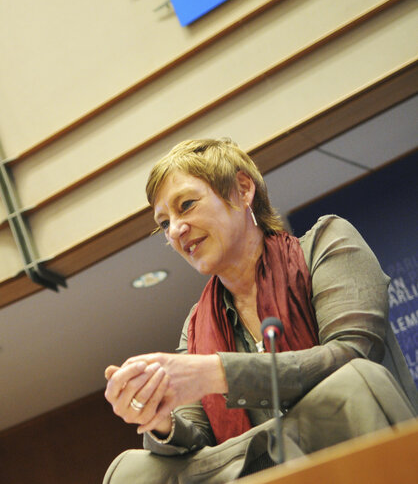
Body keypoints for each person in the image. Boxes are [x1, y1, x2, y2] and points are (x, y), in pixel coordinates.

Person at [103, 138, 417, 483]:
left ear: (242, 188)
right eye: (164, 223)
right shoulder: (196, 325)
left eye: (186, 205)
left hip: (341, 444)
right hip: (253, 467)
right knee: (133, 470)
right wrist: (160, 416)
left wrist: (217, 373)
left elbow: (353, 353)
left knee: (352, 382)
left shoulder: (326, 243)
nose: (176, 230)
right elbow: (194, 442)